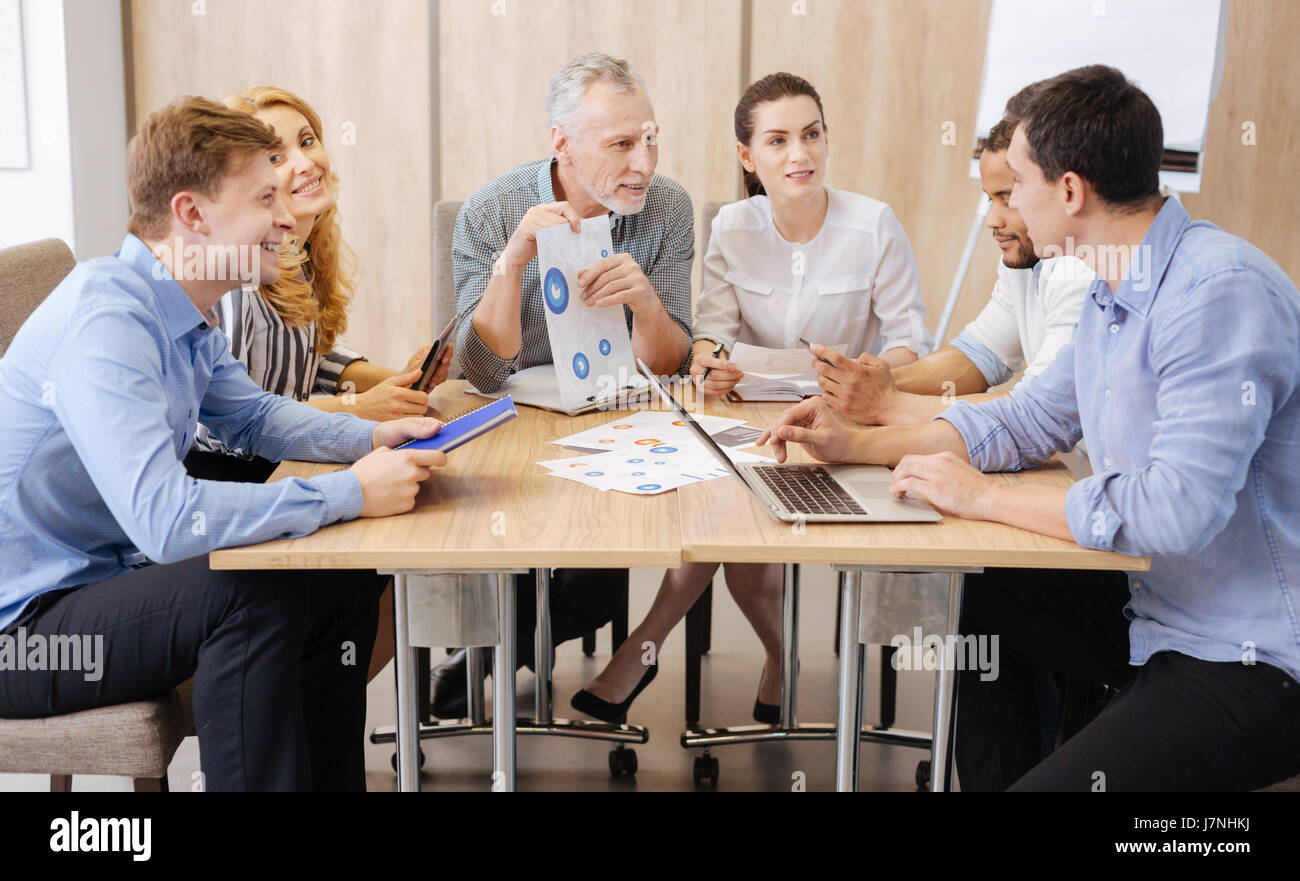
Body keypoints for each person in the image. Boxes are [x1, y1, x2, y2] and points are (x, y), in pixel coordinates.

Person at [760, 66, 1300, 791]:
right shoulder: (1114, 285)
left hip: (1252, 653)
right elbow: (1026, 419)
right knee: (984, 589)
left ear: (1069, 191)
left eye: (1016, 185)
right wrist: (853, 443)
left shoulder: (1216, 292)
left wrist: (980, 496)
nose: (1003, 208)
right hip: (1159, 606)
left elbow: (1174, 508)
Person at [0, 97, 447, 791]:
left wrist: (370, 435)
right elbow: (168, 519)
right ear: (192, 215)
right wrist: (351, 491)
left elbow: (255, 418)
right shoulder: (108, 321)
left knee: (337, 580)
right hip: (25, 636)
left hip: (96, 581)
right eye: (264, 198)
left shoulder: (180, 306)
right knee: (250, 590)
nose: (285, 218)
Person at [571, 72, 932, 724]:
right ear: (749, 157)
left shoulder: (874, 225)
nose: (801, 155)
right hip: (754, 424)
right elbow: (711, 334)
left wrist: (871, 374)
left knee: (730, 530)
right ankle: (773, 654)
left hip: (842, 428)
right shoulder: (734, 227)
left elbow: (912, 348)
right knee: (727, 515)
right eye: (779, 140)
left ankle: (645, 651)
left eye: (812, 134)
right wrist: (709, 361)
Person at [428, 51, 696, 719]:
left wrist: (649, 306)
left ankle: (506, 641)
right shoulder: (492, 211)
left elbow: (671, 364)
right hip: (517, 425)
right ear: (562, 144)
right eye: (622, 144)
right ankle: (510, 634)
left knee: (610, 555)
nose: (645, 163)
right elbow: (481, 373)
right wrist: (510, 265)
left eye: (650, 138)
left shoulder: (666, 208)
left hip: (617, 421)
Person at [185, 86, 452, 486]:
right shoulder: (238, 277)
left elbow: (310, 358)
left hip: (284, 461)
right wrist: (357, 407)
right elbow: (230, 427)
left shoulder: (298, 252)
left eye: (307, 142)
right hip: (234, 480)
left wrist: (395, 380)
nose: (306, 163)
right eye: (275, 157)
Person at [813, 116, 1093, 426]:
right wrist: (874, 382)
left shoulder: (1078, 270)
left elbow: (1033, 412)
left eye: (1008, 199)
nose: (991, 220)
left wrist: (888, 404)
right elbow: (981, 354)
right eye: (989, 199)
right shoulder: (1025, 259)